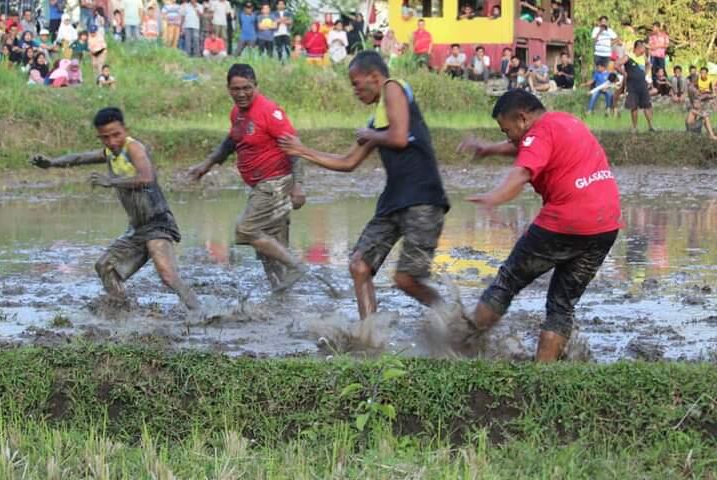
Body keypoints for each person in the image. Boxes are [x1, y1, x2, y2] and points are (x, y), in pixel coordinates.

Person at [278, 51, 450, 321]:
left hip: (422, 199)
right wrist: (303, 151)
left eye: (356, 83)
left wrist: (370, 134)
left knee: (406, 280)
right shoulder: (377, 122)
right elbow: (348, 162)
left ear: (374, 77)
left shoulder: (392, 87)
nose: (355, 91)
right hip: (393, 201)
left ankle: (456, 321)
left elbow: (400, 138)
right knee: (359, 266)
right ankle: (370, 333)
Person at [456, 89, 621, 361]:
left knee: (507, 282)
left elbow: (523, 169)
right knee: (561, 305)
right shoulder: (565, 121)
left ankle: (461, 352)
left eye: (505, 130)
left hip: (567, 220)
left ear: (522, 118)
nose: (506, 137)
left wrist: (495, 197)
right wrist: (488, 150)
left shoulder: (538, 133)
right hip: (606, 225)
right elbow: (526, 146)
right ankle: (544, 375)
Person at [31, 108, 200, 310]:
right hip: (137, 229)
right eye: (105, 137)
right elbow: (79, 158)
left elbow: (147, 177)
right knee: (105, 267)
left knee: (167, 275)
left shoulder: (134, 148)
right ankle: (122, 310)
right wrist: (52, 163)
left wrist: (112, 181)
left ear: (125, 130)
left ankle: (201, 313)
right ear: (99, 137)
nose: (112, 141)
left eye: (116, 135)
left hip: (157, 223)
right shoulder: (110, 153)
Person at [188, 64, 308, 292]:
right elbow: (231, 141)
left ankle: (297, 266)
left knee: (246, 230)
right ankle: (282, 300)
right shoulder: (237, 113)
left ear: (256, 86)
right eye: (236, 89)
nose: (241, 94)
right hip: (260, 186)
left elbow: (295, 148)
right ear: (228, 89)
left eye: (247, 88)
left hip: (276, 183)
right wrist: (206, 165)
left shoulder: (270, 112)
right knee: (270, 250)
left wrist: (299, 186)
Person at [616, 40, 655, 134]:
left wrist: (644, 74)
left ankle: (651, 126)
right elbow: (616, 65)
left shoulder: (643, 57)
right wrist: (624, 73)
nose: (644, 50)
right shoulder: (628, 56)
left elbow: (649, 64)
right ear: (638, 47)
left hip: (643, 85)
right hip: (632, 86)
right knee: (634, 107)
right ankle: (634, 127)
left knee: (647, 105)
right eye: (643, 48)